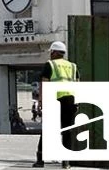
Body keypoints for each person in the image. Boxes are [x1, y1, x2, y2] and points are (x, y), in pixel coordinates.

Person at [35, 41, 78, 169]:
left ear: (54, 52)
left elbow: (44, 84)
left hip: (54, 100)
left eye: (50, 52)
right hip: (70, 101)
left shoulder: (50, 65)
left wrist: (41, 101)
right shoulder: (73, 66)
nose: (50, 55)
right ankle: (66, 162)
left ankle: (40, 160)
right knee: (67, 131)